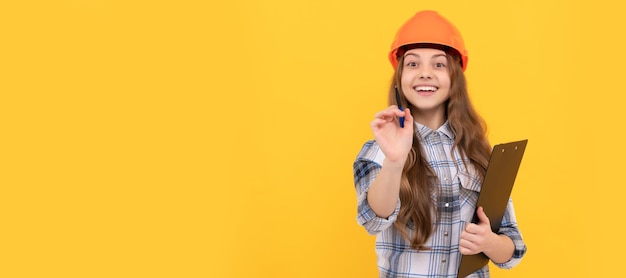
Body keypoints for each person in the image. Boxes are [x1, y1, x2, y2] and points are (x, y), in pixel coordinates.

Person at [352, 10, 526, 277]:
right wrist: (395, 161)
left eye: (438, 64)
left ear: (454, 78)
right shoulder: (378, 151)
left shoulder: (479, 152)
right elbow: (374, 220)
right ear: (399, 77)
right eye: (412, 64)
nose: (424, 73)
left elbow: (512, 248)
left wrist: (489, 242)